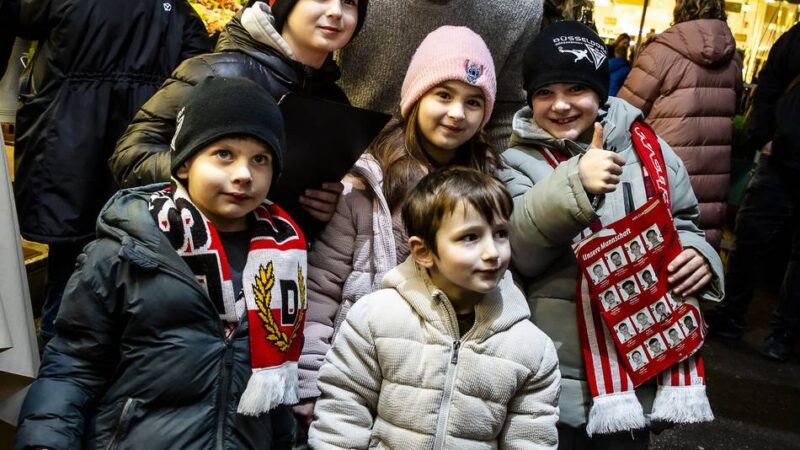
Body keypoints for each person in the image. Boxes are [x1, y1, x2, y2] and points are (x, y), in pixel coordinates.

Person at [14, 77, 307, 449]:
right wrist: (45, 442)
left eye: (260, 159)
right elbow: (74, 365)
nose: (243, 174)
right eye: (224, 154)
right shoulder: (127, 250)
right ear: (184, 164)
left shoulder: (284, 255)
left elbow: (277, 387)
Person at [498, 21, 723, 447]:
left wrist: (701, 257)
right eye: (545, 93)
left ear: (600, 93)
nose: (560, 105)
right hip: (557, 374)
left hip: (638, 363)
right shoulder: (515, 161)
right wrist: (575, 182)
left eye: (575, 90)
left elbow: (687, 224)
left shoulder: (652, 151)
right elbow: (521, 249)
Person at [296, 26, 501, 426]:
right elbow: (321, 289)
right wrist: (309, 384)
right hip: (355, 379)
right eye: (444, 95)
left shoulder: (489, 188)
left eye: (473, 102)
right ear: (415, 97)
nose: (457, 113)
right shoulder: (366, 184)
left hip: (436, 394)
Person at [308, 167, 561, 449]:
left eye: (500, 233)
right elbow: (342, 416)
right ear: (424, 252)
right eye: (470, 237)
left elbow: (530, 441)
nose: (492, 252)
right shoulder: (375, 318)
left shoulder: (532, 349)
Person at [4, 0, 210, 343]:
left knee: (67, 266)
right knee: (130, 258)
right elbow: (198, 84)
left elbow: (18, 15)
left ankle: (57, 355)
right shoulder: (179, 14)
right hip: (136, 157)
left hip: (66, 145)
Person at [111, 0, 370, 233]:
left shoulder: (333, 100)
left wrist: (326, 206)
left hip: (273, 264)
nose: (336, 12)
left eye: (349, 2)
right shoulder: (216, 72)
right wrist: (205, 177)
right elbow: (131, 154)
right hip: (188, 249)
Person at [706, 22, 800, 362]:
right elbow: (769, 85)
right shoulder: (796, 37)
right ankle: (731, 314)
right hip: (781, 157)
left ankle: (784, 333)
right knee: (750, 235)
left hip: (782, 154)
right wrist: (764, 135)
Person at [334, 0, 542, 151]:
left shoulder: (519, 8)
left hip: (457, 176)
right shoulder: (343, 8)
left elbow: (506, 110)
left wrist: (505, 187)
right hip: (347, 160)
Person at [617, 0, 742, 249]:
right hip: (714, 180)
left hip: (663, 176)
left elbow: (621, 113)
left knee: (654, 257)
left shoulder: (661, 51)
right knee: (697, 255)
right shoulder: (734, 58)